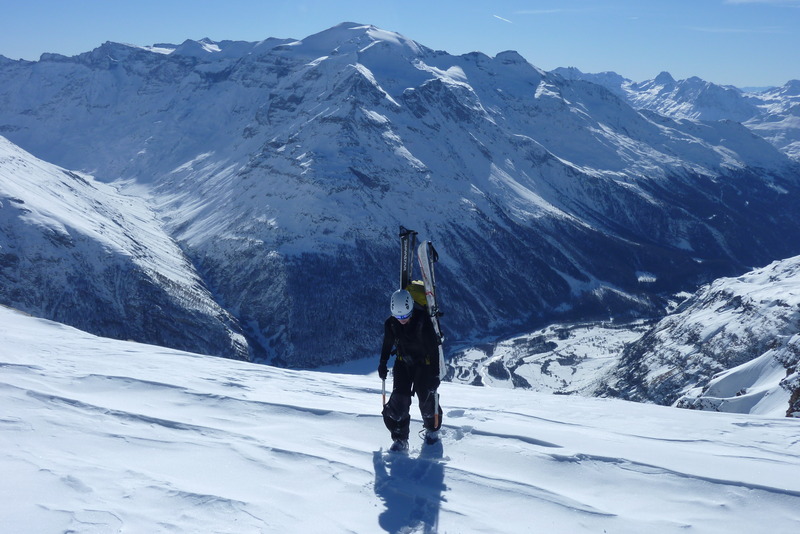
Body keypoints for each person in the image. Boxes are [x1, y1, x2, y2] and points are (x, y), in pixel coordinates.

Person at [378, 289, 443, 452]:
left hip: (424, 365)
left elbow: (434, 349)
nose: (402, 320)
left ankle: (432, 430)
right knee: (399, 401)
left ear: (411, 310)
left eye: (405, 316)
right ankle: (400, 439)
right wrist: (383, 363)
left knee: (426, 397)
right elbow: (387, 343)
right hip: (403, 363)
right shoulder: (391, 323)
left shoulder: (423, 322)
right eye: (398, 317)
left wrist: (435, 374)